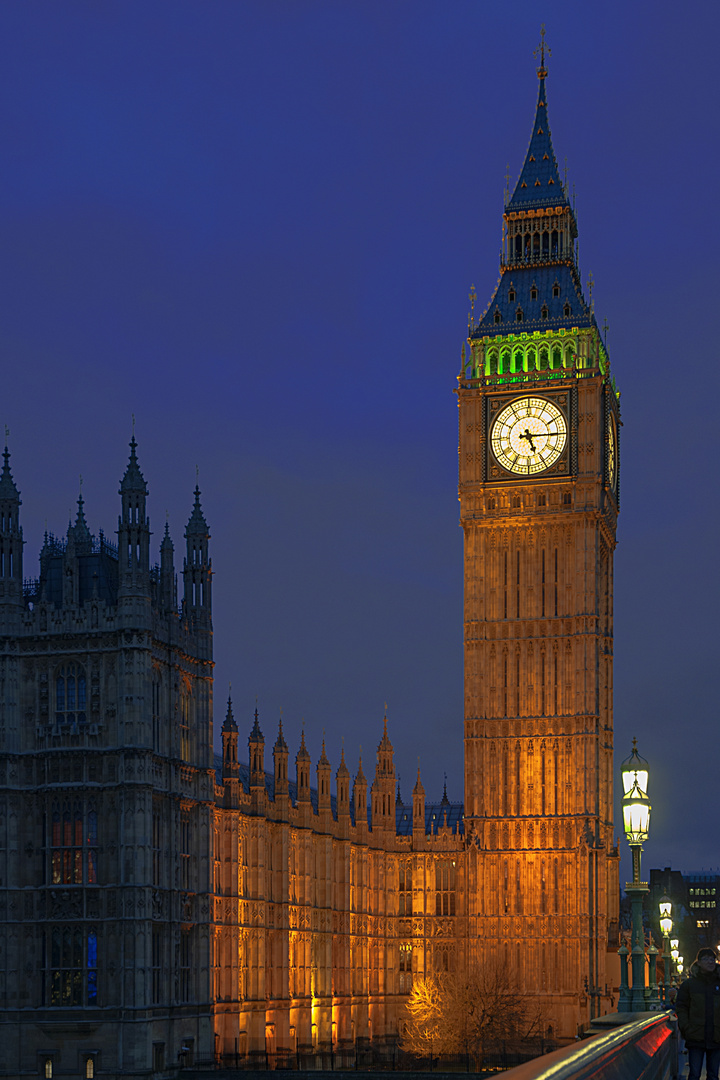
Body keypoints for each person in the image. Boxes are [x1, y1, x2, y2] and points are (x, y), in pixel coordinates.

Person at [675, 948, 720, 1080]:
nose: (710, 962)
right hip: (696, 1035)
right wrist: (686, 1028)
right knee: (694, 1074)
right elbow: (681, 1007)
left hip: (716, 1035)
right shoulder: (689, 985)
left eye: (712, 959)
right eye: (706, 959)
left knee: (713, 1075)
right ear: (698, 963)